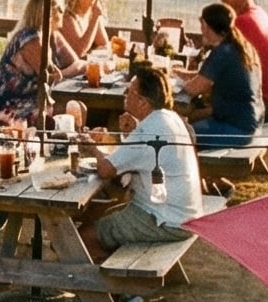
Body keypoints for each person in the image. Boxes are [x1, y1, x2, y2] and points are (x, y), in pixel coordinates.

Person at [85, 67, 204, 259]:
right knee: (100, 215)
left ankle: (109, 286)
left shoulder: (148, 131)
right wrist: (131, 132)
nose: (126, 94)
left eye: (130, 91)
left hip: (165, 220)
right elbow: (143, 156)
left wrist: (90, 147)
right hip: (183, 214)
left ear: (142, 102)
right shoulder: (169, 117)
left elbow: (106, 170)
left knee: (84, 238)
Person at [179, 3, 259, 146]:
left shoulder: (222, 52)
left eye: (202, 25)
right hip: (247, 121)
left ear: (208, 26)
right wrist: (177, 73)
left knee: (177, 135)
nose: (201, 31)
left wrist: (172, 84)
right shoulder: (237, 46)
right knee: (187, 119)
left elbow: (194, 88)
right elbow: (202, 77)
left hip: (235, 129)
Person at [0, 0, 53, 120]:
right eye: (57, 11)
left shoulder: (33, 35)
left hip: (20, 98)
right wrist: (77, 68)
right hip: (6, 102)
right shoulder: (31, 39)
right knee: (55, 109)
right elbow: (46, 75)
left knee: (68, 107)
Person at [58, 0, 109, 70]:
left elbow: (104, 44)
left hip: (80, 69)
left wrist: (95, 17)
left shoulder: (91, 14)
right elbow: (79, 52)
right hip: (63, 72)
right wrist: (95, 18)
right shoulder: (66, 17)